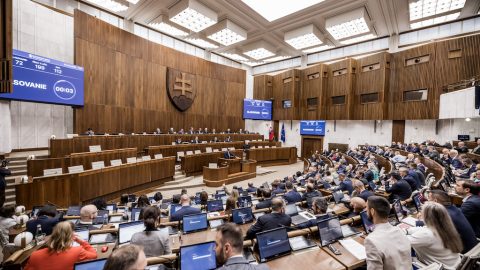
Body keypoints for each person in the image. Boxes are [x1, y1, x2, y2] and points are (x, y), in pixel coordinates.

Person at [406, 202, 462, 269]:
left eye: (421, 211)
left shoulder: (426, 234)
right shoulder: (445, 227)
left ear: (427, 217)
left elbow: (402, 242)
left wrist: (398, 231)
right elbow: (423, 229)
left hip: (443, 268)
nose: (419, 213)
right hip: (455, 264)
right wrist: (407, 230)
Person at [24, 221, 97, 270]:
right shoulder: (78, 251)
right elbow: (94, 255)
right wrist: (83, 242)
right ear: (71, 236)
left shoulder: (34, 255)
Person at [364, 196, 412, 269]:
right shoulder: (399, 230)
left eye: (366, 208)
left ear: (372, 211)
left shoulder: (371, 240)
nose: (365, 210)